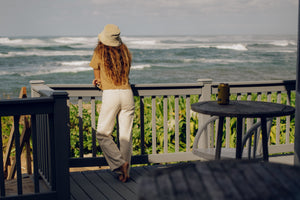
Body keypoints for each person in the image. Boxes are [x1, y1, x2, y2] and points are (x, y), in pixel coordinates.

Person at [89, 24, 135, 182]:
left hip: (111, 95)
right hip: (127, 94)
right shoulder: (125, 51)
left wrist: (97, 81)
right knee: (125, 136)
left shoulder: (99, 52)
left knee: (102, 133)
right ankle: (125, 173)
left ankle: (120, 164)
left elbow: (98, 78)